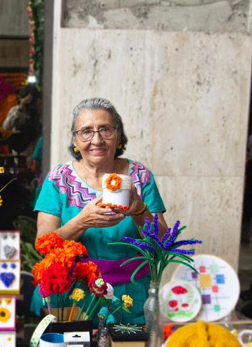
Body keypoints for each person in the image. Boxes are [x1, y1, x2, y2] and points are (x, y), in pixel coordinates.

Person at [30, 98, 167, 324]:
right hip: (71, 297)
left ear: (119, 135)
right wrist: (82, 221)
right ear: (75, 139)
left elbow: (162, 243)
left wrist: (139, 210)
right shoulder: (58, 179)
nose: (96, 140)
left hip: (128, 297)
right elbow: (44, 245)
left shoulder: (140, 177)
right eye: (86, 131)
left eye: (105, 129)